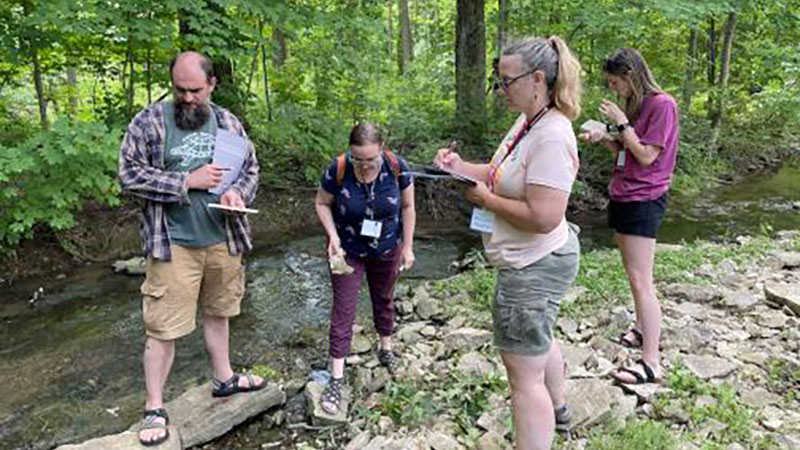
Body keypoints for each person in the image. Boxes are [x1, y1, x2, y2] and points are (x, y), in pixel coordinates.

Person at [435, 36, 581, 450]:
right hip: (531, 257)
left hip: (532, 262)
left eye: (505, 80)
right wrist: (460, 168)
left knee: (523, 378)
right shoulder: (528, 121)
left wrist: (486, 201)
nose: (500, 89)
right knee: (540, 338)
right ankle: (561, 409)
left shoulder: (552, 134)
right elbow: (500, 172)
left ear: (537, 79)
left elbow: (544, 216)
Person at [119, 51, 264, 447]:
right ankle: (153, 406)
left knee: (220, 312)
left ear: (212, 85)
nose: (187, 98)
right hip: (172, 244)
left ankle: (224, 379)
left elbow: (251, 169)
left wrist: (238, 191)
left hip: (223, 238)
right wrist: (187, 181)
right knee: (163, 329)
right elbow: (129, 174)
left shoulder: (228, 121)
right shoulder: (148, 121)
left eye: (195, 90)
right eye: (179, 90)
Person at [579, 48, 679, 385]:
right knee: (632, 272)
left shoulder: (663, 105)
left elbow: (648, 156)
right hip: (624, 192)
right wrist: (605, 137)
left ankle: (651, 361)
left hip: (644, 196)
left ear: (632, 76)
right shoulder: (638, 107)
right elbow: (626, 150)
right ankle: (640, 327)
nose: (612, 89)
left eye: (615, 82)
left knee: (641, 279)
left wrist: (621, 123)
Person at [314, 123, 416, 415]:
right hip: (346, 251)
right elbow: (322, 203)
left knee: (384, 299)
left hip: (387, 247)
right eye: (358, 159)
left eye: (371, 159)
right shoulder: (339, 169)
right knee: (343, 308)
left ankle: (386, 347)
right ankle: (336, 376)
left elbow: (408, 208)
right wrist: (333, 237)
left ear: (383, 148)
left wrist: (407, 246)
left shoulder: (397, 167)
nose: (365, 165)